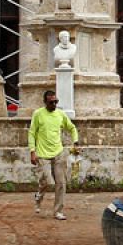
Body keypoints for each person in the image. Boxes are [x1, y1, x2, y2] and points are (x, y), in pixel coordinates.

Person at [28, 89, 78, 220]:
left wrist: (76, 141)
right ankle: (39, 196)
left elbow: (72, 127)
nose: (54, 104)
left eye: (56, 102)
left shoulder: (60, 114)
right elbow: (32, 133)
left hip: (58, 152)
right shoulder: (38, 114)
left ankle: (58, 211)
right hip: (42, 152)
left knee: (61, 182)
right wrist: (32, 152)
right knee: (45, 181)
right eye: (51, 102)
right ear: (45, 102)